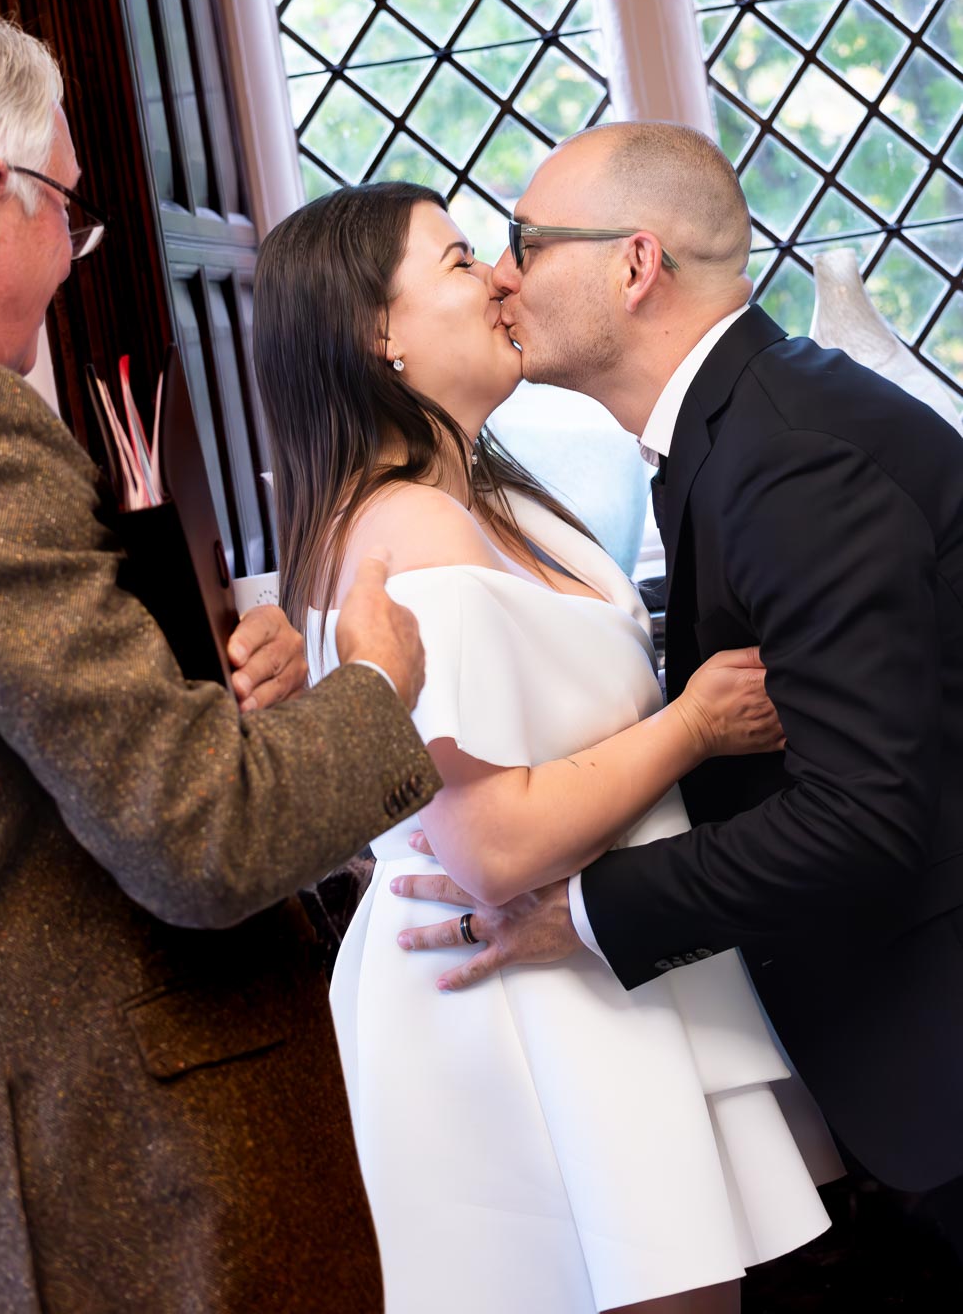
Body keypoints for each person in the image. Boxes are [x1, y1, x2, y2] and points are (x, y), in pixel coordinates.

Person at [0, 0, 439, 1314]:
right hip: (108, 1174)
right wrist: (375, 686)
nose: (74, 252)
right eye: (66, 212)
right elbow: (196, 835)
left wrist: (217, 692)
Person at [252, 179, 838, 1314]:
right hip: (513, 1002)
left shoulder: (489, 498)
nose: (501, 278)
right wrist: (695, 725)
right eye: (462, 259)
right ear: (379, 332)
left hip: (586, 968)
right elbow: (490, 841)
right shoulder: (405, 529)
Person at [394, 121, 963, 1264]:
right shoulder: (735, 426)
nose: (504, 273)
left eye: (524, 241)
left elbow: (863, 817)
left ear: (635, 264)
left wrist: (589, 913)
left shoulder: (788, 456)